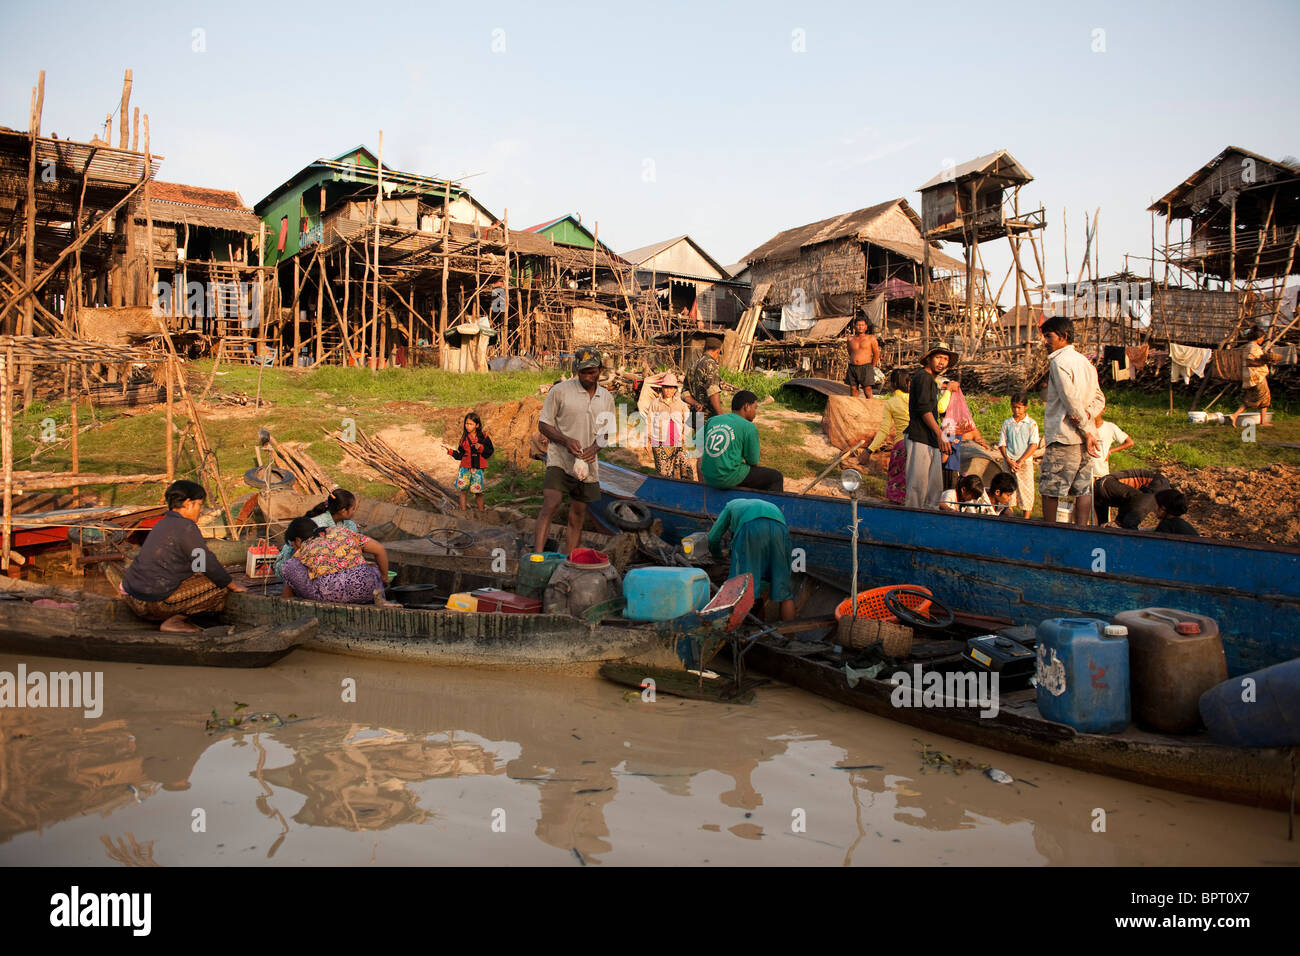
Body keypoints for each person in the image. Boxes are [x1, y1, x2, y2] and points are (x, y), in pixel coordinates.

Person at [119, 479, 246, 633]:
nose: (200, 510)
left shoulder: (162, 523)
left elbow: (194, 563)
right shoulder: (186, 526)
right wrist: (233, 584)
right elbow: (205, 562)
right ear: (187, 503)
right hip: (154, 603)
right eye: (199, 504)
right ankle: (175, 621)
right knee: (219, 586)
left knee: (205, 577)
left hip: (132, 598)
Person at [535, 347, 617, 554]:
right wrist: (565, 440)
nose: (588, 377)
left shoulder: (606, 398)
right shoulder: (560, 391)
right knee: (551, 503)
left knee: (578, 514)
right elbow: (544, 425)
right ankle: (536, 556)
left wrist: (595, 448)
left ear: (600, 370)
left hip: (586, 464)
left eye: (592, 372)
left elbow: (606, 434)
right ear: (576, 371)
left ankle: (570, 561)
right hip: (560, 459)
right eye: (583, 373)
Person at [1040, 316, 1104, 525]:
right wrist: (1088, 419)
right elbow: (1099, 400)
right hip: (1086, 438)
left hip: (1065, 436)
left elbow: (1071, 403)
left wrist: (1084, 426)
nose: (1045, 341)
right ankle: (1081, 532)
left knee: (1051, 490)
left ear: (1063, 337)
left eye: (1049, 336)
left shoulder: (1059, 362)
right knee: (1082, 490)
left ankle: (1049, 534)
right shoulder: (1085, 362)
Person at [707, 497, 795, 621]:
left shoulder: (730, 505)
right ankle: (790, 636)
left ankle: (735, 629)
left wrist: (717, 556)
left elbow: (713, 538)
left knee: (742, 586)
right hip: (780, 528)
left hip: (750, 527)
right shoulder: (766, 505)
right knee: (785, 592)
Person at [281, 517, 393, 604]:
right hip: (367, 589)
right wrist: (384, 578)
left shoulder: (306, 545)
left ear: (298, 540)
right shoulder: (341, 531)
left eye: (293, 545)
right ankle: (381, 599)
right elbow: (380, 550)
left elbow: (290, 581)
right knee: (372, 566)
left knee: (290, 565)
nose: (294, 549)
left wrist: (285, 601)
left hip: (330, 594)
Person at [904, 342, 957, 509]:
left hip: (930, 438)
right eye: (938, 357)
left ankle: (928, 521)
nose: (941, 362)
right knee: (917, 488)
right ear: (928, 359)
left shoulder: (932, 381)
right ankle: (912, 525)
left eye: (945, 359)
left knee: (933, 489)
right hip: (920, 436)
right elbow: (924, 410)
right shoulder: (923, 377)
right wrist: (940, 434)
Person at [701, 391, 784, 492]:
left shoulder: (713, 420)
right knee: (776, 477)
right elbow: (753, 461)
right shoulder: (749, 427)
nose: (755, 412)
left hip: (708, 477)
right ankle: (769, 507)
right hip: (726, 478)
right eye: (755, 408)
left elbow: (697, 445)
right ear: (746, 407)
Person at [273, 489, 361, 578]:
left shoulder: (350, 526)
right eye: (353, 509)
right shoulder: (316, 525)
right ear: (343, 511)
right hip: (302, 566)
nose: (355, 512)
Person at [638, 371, 693, 480]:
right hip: (659, 441)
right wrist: (646, 440)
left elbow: (687, 421)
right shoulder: (655, 404)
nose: (669, 390)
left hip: (677, 441)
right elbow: (649, 421)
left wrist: (684, 434)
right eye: (666, 387)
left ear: (675, 389)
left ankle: (684, 489)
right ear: (662, 388)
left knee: (684, 468)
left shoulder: (681, 404)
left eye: (672, 388)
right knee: (663, 471)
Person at [997, 393, 1040, 519]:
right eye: (1014, 407)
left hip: (1024, 462)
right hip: (1009, 460)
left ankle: (1026, 518)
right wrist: (1008, 460)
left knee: (1026, 489)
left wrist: (1021, 460)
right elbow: (1002, 443)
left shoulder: (1031, 423)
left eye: (1019, 407)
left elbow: (1034, 444)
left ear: (1025, 407)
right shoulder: (1007, 423)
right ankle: (1009, 515)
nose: (1016, 410)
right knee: (1008, 488)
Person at [1229, 326, 1277, 427]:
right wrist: (1264, 361)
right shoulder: (1253, 347)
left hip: (1250, 377)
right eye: (1262, 338)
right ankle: (1262, 422)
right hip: (1256, 376)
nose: (1263, 339)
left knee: (1252, 398)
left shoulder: (1248, 346)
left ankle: (1235, 415)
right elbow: (1250, 361)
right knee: (1264, 397)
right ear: (1258, 337)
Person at [1092, 468, 1170, 529]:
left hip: (1102, 494)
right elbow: (1141, 505)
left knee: (1103, 528)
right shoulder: (1161, 484)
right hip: (1107, 483)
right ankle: (1118, 523)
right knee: (1143, 500)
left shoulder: (1160, 489)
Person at [447, 411, 495, 511]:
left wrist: (481, 447)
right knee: (463, 491)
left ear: (477, 425)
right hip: (465, 468)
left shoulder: (484, 437)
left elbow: (490, 452)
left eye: (470, 424)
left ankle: (481, 512)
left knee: (478, 492)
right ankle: (463, 512)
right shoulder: (463, 439)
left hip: (477, 469)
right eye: (466, 423)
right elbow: (460, 455)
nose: (467, 426)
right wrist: (450, 451)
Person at [684, 337, 725, 424]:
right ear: (717, 351)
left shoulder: (693, 365)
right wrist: (720, 415)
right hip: (708, 418)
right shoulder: (710, 364)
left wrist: (695, 403)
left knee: (698, 438)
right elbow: (712, 391)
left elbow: (685, 393)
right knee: (707, 438)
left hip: (696, 416)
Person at [846, 313, 881, 399]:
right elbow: (850, 352)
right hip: (853, 367)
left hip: (866, 367)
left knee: (867, 389)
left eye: (862, 325)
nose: (860, 327)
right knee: (853, 389)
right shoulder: (850, 339)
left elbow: (876, 353)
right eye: (858, 325)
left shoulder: (871, 338)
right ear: (854, 327)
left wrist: (872, 366)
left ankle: (871, 410)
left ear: (866, 327)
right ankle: (855, 409)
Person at [1091, 412, 1133, 480]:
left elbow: (1129, 442)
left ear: (1103, 409)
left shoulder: (1110, 427)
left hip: (1101, 471)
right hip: (1085, 472)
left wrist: (1110, 451)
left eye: (1097, 409)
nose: (1094, 412)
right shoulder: (1084, 427)